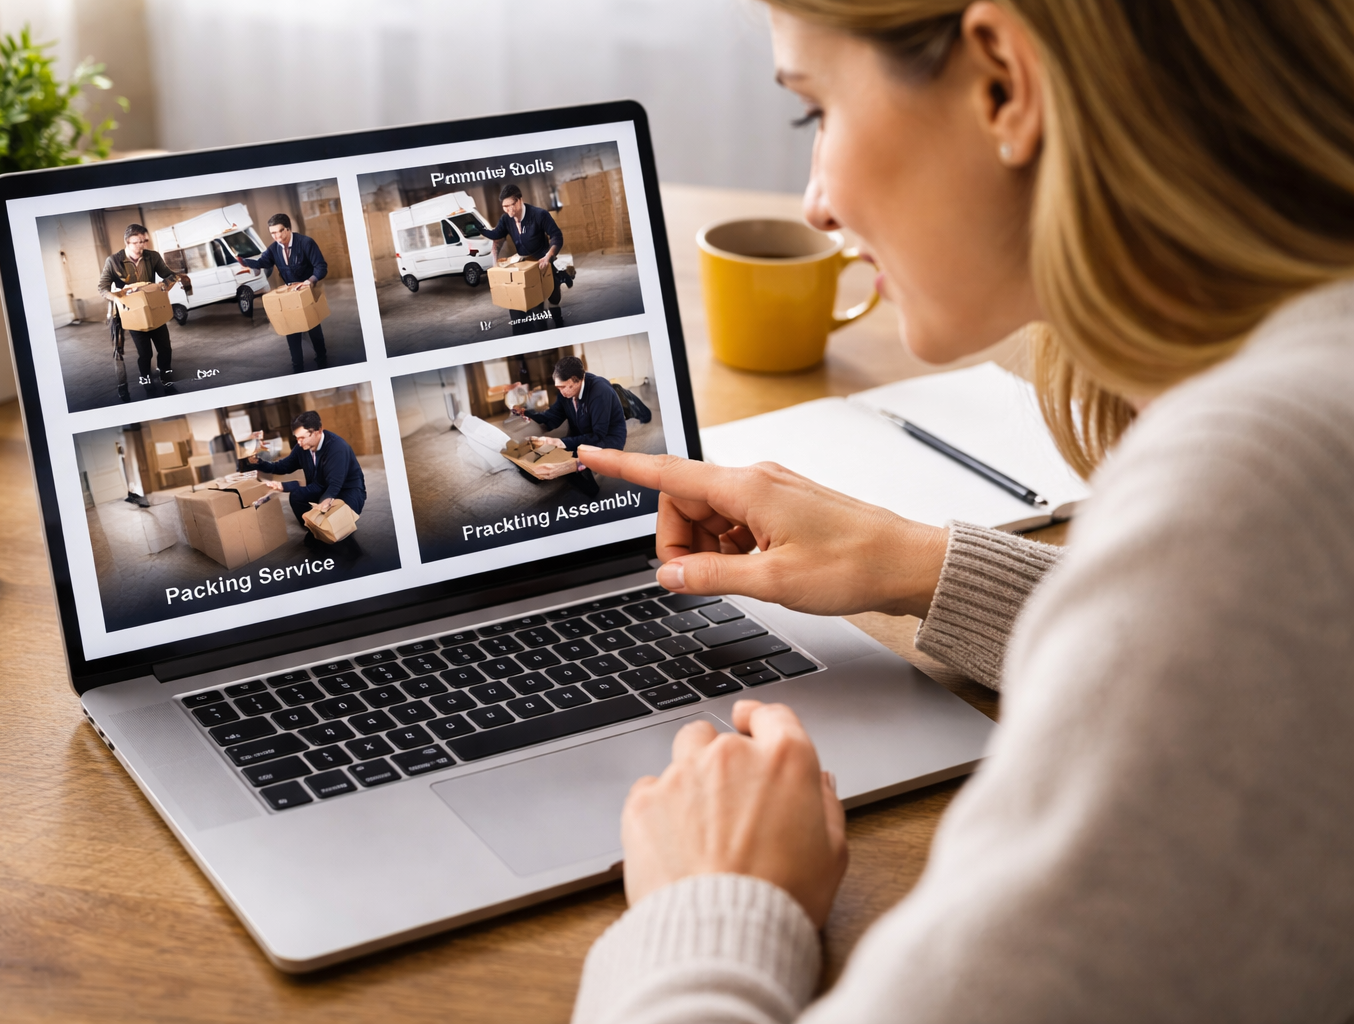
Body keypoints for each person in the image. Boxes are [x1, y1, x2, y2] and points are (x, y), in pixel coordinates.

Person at [568, 1, 1354, 1022]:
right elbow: (1245, 653)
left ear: (1003, 84)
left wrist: (710, 904)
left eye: (816, 112)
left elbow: (1229, 596)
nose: (815, 204)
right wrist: (923, 564)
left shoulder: (1246, 502)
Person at [512, 355, 626, 494]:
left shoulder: (600, 391)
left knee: (575, 471)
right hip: (582, 435)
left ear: (576, 380)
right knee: (539, 461)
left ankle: (584, 477)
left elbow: (598, 436)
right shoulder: (565, 393)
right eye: (558, 387)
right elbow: (553, 417)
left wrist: (560, 442)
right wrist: (527, 412)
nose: (561, 392)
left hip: (607, 438)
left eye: (564, 387)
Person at [97, 224, 188, 399]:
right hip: (133, 314)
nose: (141, 246)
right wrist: (116, 298)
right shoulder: (113, 261)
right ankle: (147, 382)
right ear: (127, 242)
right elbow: (102, 287)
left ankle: (166, 380)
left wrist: (164, 286)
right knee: (145, 354)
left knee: (165, 349)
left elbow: (169, 275)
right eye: (136, 242)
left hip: (154, 311)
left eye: (143, 241)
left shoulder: (152, 257)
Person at [246, 410, 365, 542]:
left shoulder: (337, 447)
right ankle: (314, 530)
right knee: (297, 496)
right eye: (297, 438)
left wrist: (322, 505)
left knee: (337, 529)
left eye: (302, 437)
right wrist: (258, 463)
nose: (299, 442)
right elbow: (283, 466)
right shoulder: (302, 448)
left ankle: (329, 530)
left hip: (347, 491)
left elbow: (333, 485)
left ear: (318, 431)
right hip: (322, 488)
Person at [235, 214, 330, 373]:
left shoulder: (306, 243)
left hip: (307, 291)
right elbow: (262, 262)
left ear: (288, 229)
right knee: (291, 329)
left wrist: (310, 281)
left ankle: (322, 359)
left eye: (280, 231)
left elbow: (321, 267)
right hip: (290, 294)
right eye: (273, 233)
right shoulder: (273, 249)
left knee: (313, 328)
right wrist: (244, 262)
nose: (277, 236)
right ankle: (297, 367)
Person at [479, 183, 576, 310]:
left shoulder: (539, 214)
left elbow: (556, 236)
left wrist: (548, 257)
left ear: (520, 200)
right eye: (504, 206)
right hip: (525, 262)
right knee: (535, 300)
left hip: (543, 259)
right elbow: (496, 234)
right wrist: (479, 229)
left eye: (510, 205)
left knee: (554, 299)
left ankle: (560, 277)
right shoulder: (506, 219)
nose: (508, 209)